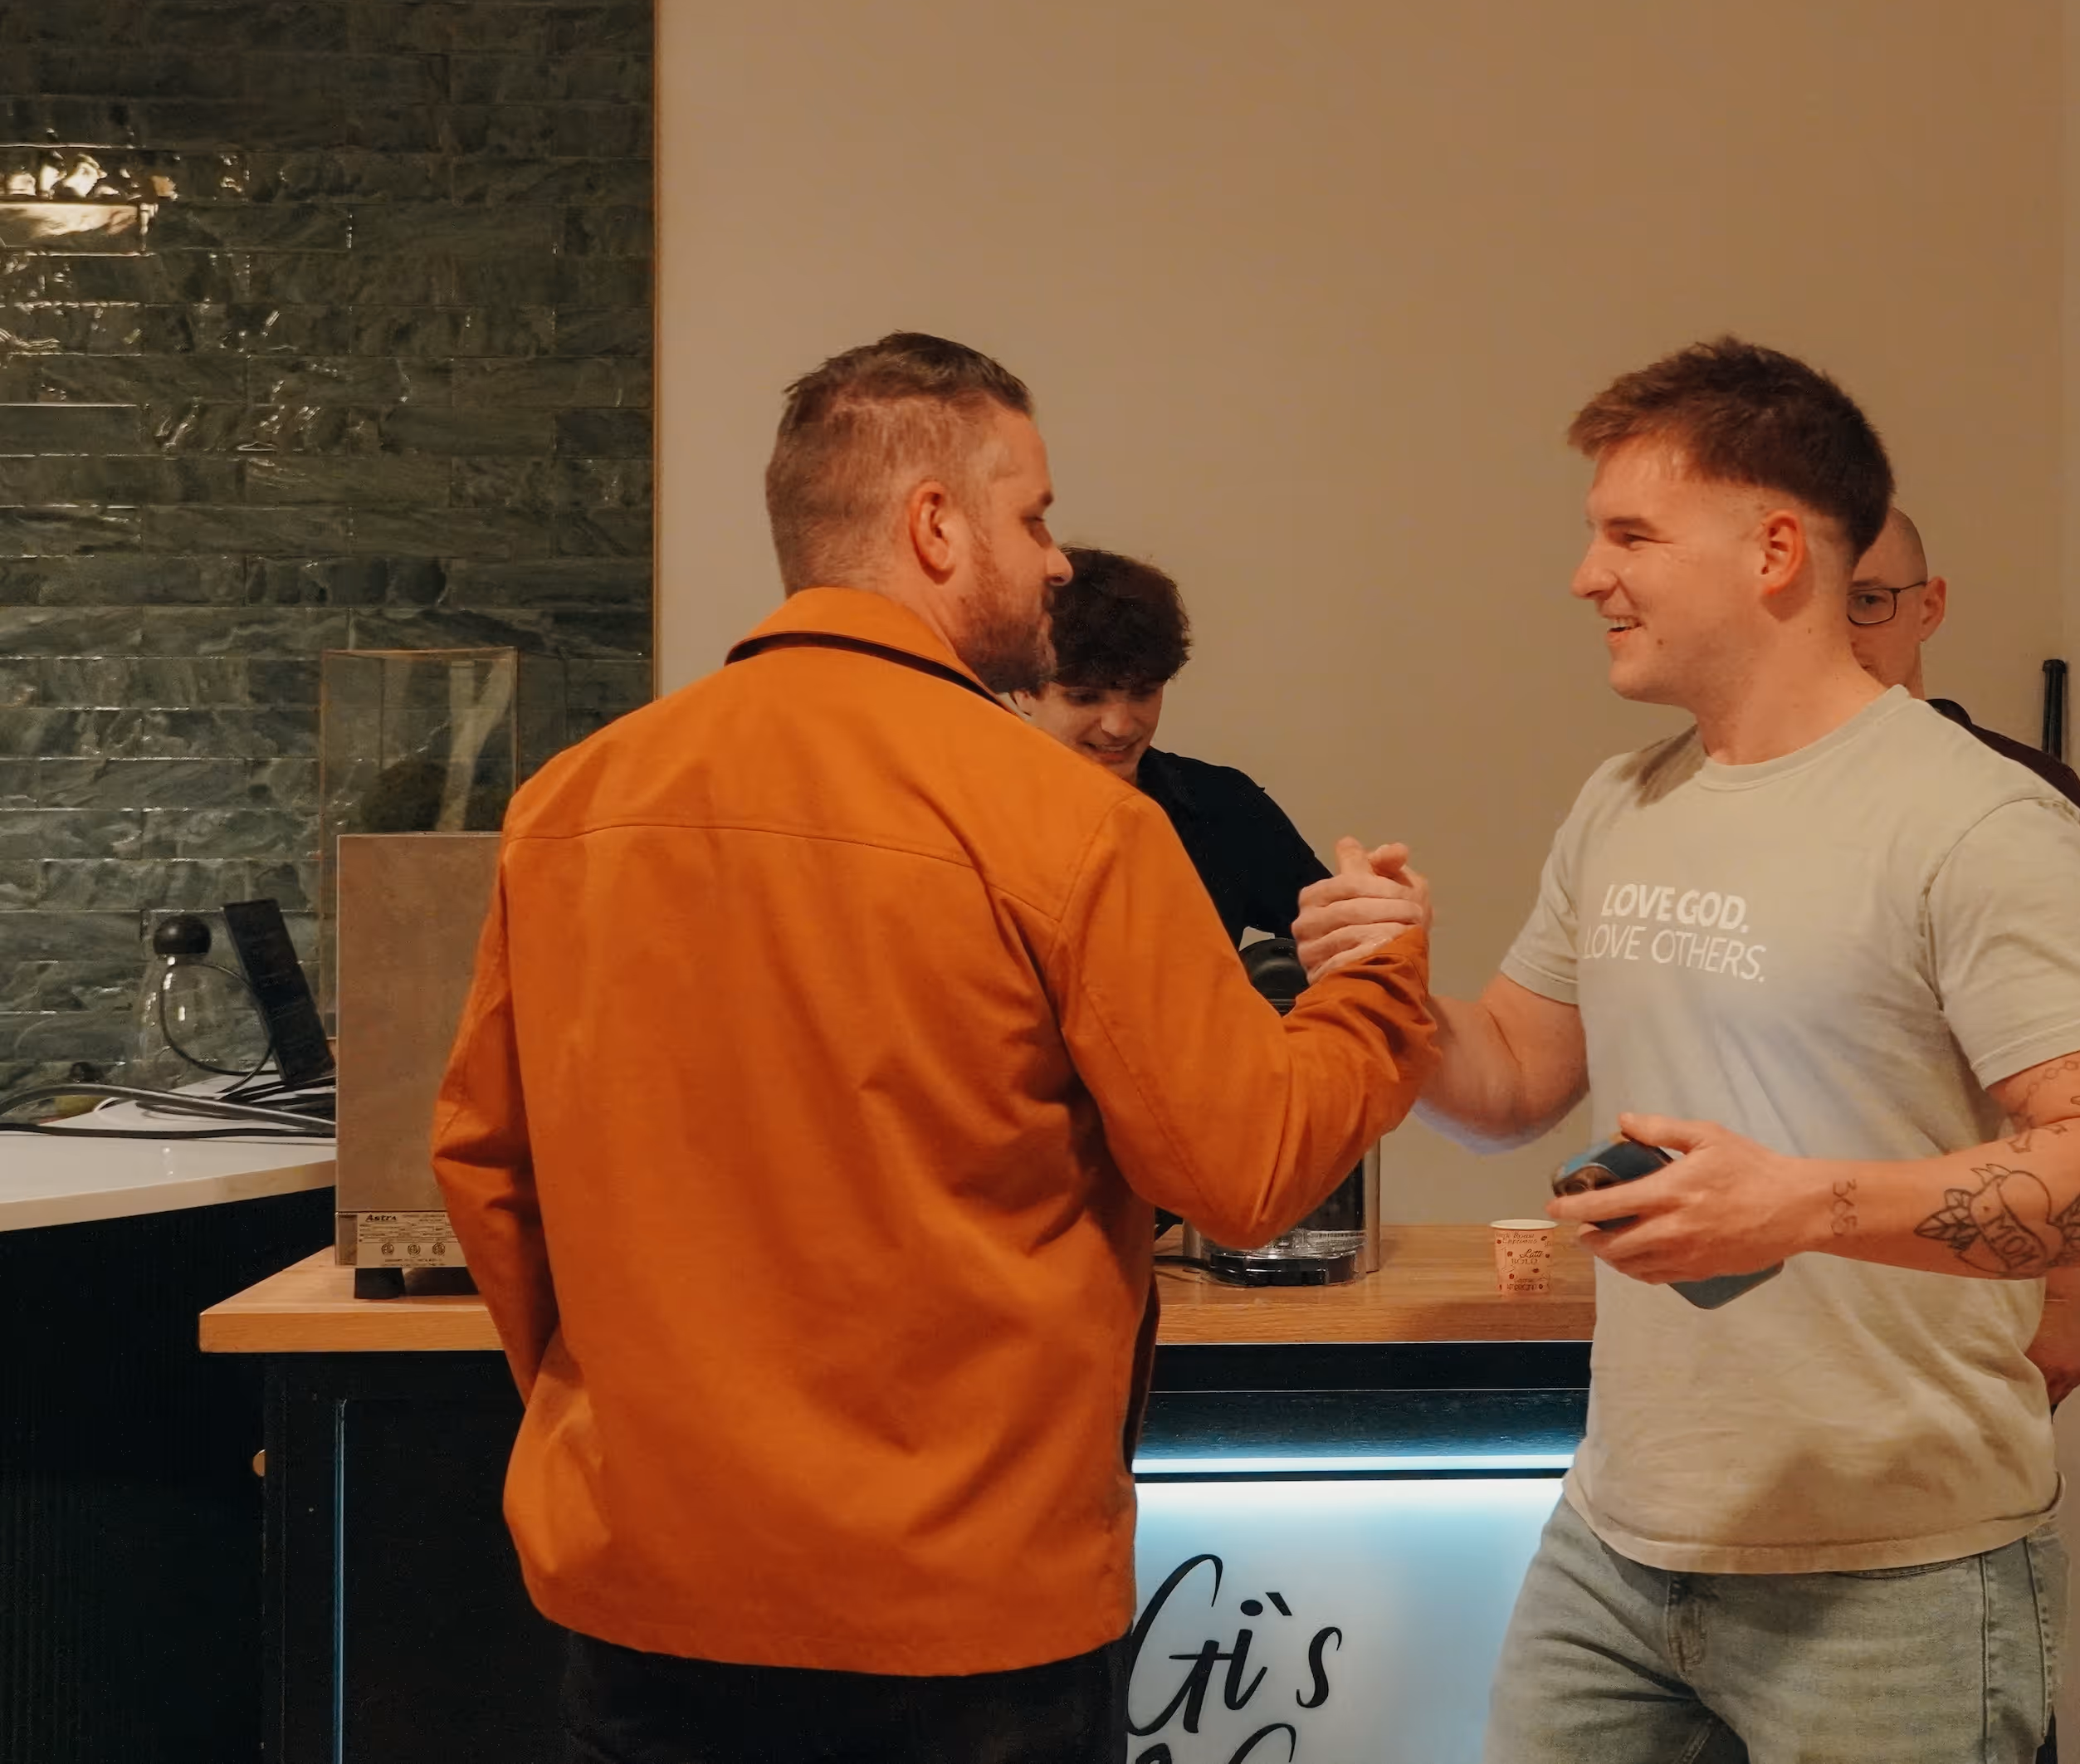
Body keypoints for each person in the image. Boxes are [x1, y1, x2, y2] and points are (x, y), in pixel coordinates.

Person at [430, 332, 1438, 1764]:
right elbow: (1244, 1168)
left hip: (645, 1591)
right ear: (933, 527)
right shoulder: (1069, 825)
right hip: (965, 1622)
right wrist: (1379, 982)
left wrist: (632, 1441)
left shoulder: (572, 803)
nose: (1055, 563)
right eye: (1032, 518)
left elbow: (485, 1170)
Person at [1305, 337, 2080, 1763]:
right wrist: (1403, 998)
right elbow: (1509, 1079)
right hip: (1617, 1538)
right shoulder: (1624, 799)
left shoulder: (1977, 821)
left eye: (1629, 533)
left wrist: (1800, 1204)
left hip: (1895, 1569)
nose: (1588, 576)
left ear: (1775, 552)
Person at [1845, 506, 2080, 1409]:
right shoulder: (1723, 789)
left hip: (1965, 1300)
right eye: (1821, 604)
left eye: (1872, 601)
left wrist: (2067, 1298)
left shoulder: (2016, 799)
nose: (1845, 632)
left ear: (1931, 607)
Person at [1013, 547, 1330, 944]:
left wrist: (1382, 919)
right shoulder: (970, 820)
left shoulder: (1222, 806)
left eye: (1143, 693)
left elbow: (1339, 938)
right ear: (1024, 689)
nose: (1120, 725)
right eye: (1084, 698)